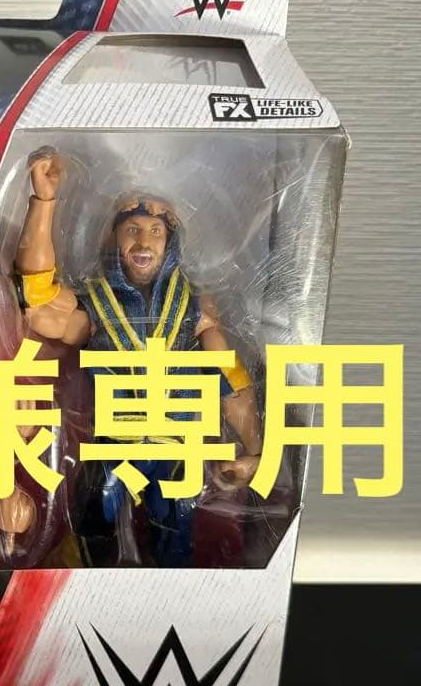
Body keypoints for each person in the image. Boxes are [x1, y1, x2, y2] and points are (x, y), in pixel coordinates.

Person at [14, 150, 263, 567]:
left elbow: (231, 381)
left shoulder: (194, 311)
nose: (144, 243)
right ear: (113, 238)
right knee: (92, 526)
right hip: (113, 445)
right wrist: (43, 201)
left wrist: (256, 450)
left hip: (175, 448)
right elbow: (38, 300)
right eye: (132, 229)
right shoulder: (97, 305)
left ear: (170, 243)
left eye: (155, 232)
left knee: (175, 540)